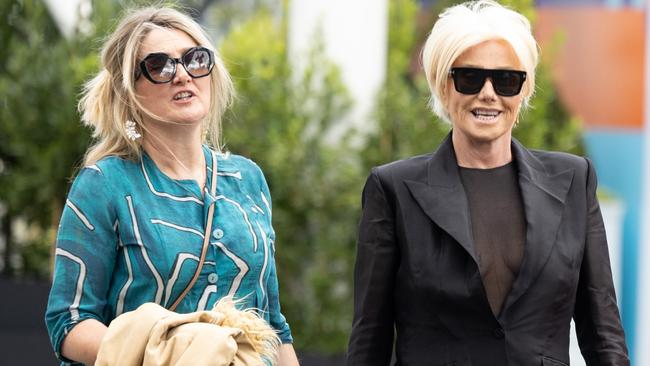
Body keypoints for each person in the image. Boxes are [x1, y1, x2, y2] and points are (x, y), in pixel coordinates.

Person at [346, 1, 629, 365]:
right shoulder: (394, 190)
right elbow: (370, 339)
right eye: (470, 78)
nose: (489, 93)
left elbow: (603, 334)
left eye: (507, 80)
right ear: (442, 86)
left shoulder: (573, 180)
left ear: (524, 91)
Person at [44, 6, 299, 366]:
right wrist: (164, 352)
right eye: (160, 66)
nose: (182, 75)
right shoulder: (104, 184)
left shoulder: (248, 179)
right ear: (129, 91)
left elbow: (273, 325)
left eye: (195, 60)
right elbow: (68, 322)